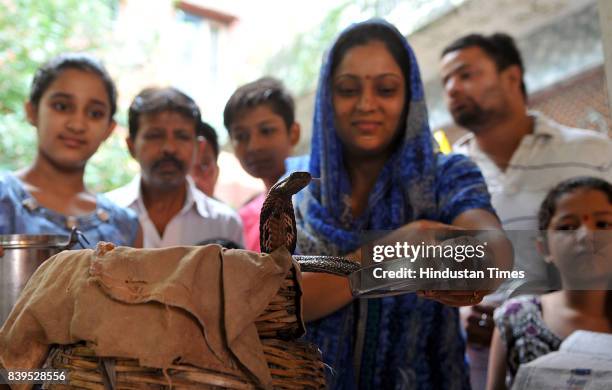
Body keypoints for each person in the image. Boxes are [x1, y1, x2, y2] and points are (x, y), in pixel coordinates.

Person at [293, 20, 511, 389]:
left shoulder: (444, 175)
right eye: (347, 89)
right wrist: (395, 252)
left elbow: (493, 252)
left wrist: (479, 262)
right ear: (327, 100)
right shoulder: (300, 194)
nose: (366, 104)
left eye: (386, 89)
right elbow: (284, 303)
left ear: (409, 97)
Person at [440, 32, 612, 389]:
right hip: (483, 368)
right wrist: (462, 311)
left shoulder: (594, 154)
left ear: (512, 77)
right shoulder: (446, 176)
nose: (453, 88)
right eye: (446, 81)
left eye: (466, 74)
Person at [0, 53, 141, 248]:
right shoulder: (4, 199)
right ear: (32, 111)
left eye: (95, 113)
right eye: (62, 106)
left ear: (109, 129)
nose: (77, 124)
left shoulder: (125, 226)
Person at [488, 176, 612, 389]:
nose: (585, 235)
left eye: (602, 224)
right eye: (567, 227)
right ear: (543, 248)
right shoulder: (516, 319)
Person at [106, 87, 243, 248]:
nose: (169, 148)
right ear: (131, 146)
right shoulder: (103, 218)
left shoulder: (225, 224)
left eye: (182, 136)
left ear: (198, 148)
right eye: (155, 135)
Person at [223, 77, 300, 252]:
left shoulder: (320, 198)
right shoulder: (242, 218)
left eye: (266, 131)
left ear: (294, 133)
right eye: (241, 136)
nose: (254, 146)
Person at [190, 120, 220, 198]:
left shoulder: (225, 210)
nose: (195, 177)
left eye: (204, 165)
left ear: (217, 173)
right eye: (187, 166)